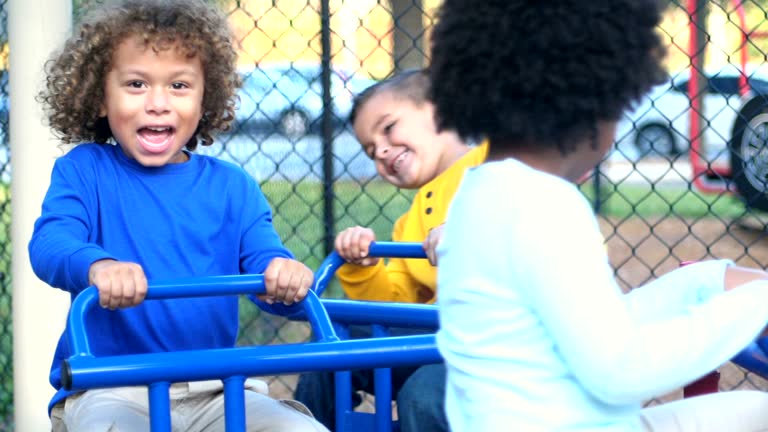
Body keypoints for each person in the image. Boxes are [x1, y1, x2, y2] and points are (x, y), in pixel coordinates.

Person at [428, 0, 768, 431]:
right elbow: (620, 370)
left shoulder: (483, 194)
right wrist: (757, 304)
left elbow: (592, 326)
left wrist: (704, 283)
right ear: (589, 102)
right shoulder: (544, 205)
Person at [28, 1, 328, 431]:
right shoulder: (85, 170)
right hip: (114, 386)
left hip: (216, 386)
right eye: (136, 84)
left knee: (299, 428)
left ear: (206, 97)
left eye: (179, 86)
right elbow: (51, 244)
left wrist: (283, 276)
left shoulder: (232, 187)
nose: (157, 103)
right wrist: (98, 265)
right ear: (98, 97)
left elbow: (264, 261)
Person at [294, 69, 486, 431]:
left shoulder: (501, 163)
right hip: (440, 341)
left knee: (425, 394)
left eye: (388, 128)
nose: (380, 151)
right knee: (332, 345)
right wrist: (363, 266)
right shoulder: (411, 222)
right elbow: (397, 308)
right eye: (370, 150)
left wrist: (476, 230)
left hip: (504, 344)